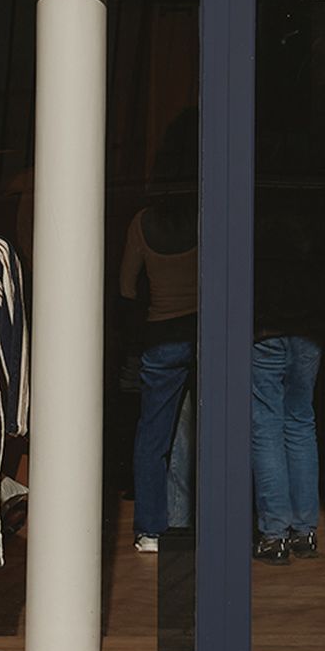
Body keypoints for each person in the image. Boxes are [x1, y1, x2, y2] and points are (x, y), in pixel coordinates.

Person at [120, 109, 198, 553]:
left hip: (161, 334)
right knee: (203, 430)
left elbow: (126, 287)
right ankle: (197, 517)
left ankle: (150, 528)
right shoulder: (206, 217)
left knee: (153, 433)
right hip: (203, 331)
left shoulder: (143, 222)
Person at [250, 212, 325, 564]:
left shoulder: (260, 250)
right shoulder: (308, 251)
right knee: (300, 424)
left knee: (266, 427)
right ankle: (305, 530)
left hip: (267, 335)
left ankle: (274, 534)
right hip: (307, 336)